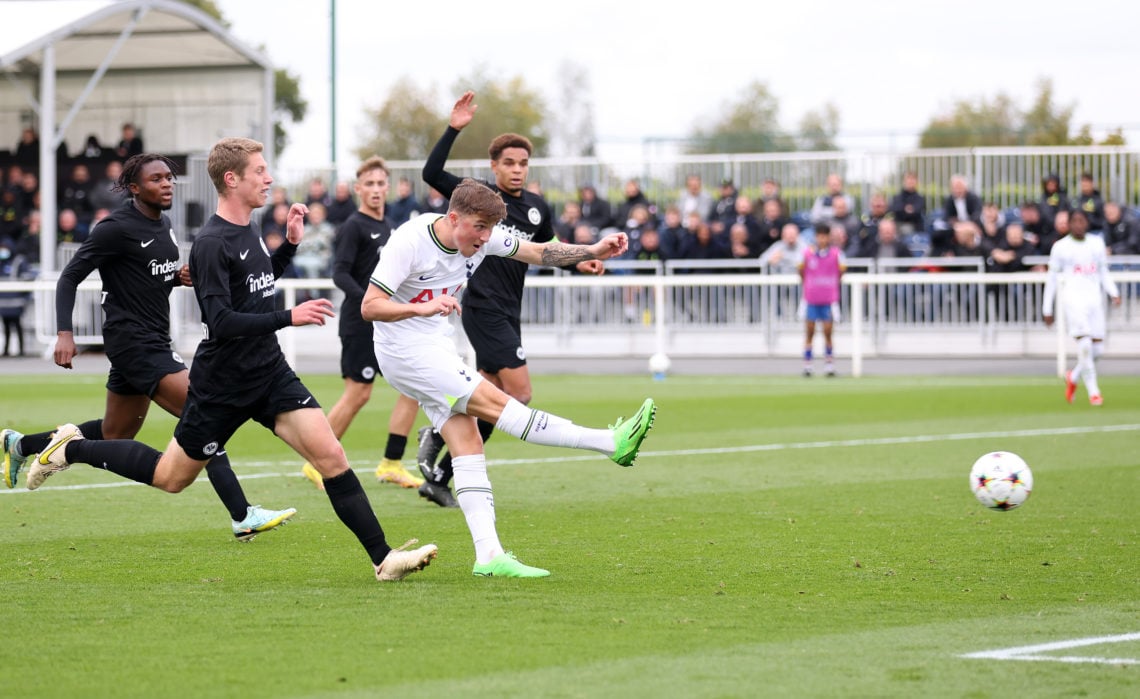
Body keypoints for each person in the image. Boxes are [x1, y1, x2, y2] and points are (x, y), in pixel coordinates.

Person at [19, 138, 437, 582]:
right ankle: (72, 448)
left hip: (270, 372)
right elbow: (219, 320)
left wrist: (289, 248)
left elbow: (255, 285)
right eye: (260, 171)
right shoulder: (211, 242)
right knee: (171, 477)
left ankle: (385, 559)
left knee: (331, 454)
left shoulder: (249, 229)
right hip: (222, 383)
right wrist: (288, 317)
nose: (269, 179)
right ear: (232, 179)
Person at [361, 178, 656, 577]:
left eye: (489, 229)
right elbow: (370, 305)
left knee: (467, 442)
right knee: (503, 406)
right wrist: (424, 308)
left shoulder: (485, 236)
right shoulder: (410, 241)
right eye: (478, 228)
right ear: (453, 218)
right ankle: (609, 442)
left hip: (435, 346)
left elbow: (538, 250)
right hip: (406, 351)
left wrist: (590, 250)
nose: (485, 238)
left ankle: (489, 556)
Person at [1, 152, 298, 540]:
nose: (167, 184)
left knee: (112, 433)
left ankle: (21, 444)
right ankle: (242, 514)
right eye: (156, 179)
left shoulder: (165, 224)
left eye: (169, 178)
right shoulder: (115, 228)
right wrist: (64, 332)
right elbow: (70, 276)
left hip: (151, 339)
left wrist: (176, 277)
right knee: (203, 412)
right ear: (135, 187)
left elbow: (143, 275)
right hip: (134, 342)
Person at [416, 91, 607, 508]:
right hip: (482, 307)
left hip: (510, 310)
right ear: (494, 166)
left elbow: (549, 247)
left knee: (489, 394)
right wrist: (453, 128)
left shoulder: (537, 208)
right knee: (518, 394)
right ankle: (438, 434)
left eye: (522, 163)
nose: (517, 170)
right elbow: (432, 172)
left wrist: (582, 263)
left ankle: (440, 473)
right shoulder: (479, 196)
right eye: (509, 163)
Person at [298, 156, 423, 491]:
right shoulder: (353, 226)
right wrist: (368, 302)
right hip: (361, 323)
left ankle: (392, 463)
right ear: (358, 189)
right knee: (358, 395)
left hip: (387, 323)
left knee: (413, 388)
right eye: (369, 184)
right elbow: (339, 272)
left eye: (381, 183)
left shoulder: (389, 227)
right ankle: (314, 462)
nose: (376, 189)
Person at [1042, 208, 1121, 407]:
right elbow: (1052, 278)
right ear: (1068, 224)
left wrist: (1113, 292)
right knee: (1084, 344)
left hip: (1094, 301)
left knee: (1097, 350)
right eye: (1074, 221)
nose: (1078, 224)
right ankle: (1094, 392)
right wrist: (1047, 309)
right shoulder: (1060, 247)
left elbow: (1103, 271)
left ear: (1086, 223)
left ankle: (1074, 376)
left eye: (1081, 220)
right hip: (1073, 301)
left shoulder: (1096, 243)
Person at [799, 222, 846, 377]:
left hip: (828, 299)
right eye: (819, 236)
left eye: (825, 236)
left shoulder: (836, 254)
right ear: (816, 237)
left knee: (828, 332)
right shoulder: (807, 253)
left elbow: (842, 271)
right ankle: (808, 365)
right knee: (809, 332)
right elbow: (800, 270)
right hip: (811, 298)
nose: (822, 239)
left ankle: (829, 365)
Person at [889, 171, 925, 236]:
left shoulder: (920, 198)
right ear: (904, 181)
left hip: (915, 228)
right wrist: (908, 210)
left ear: (916, 182)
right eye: (908, 179)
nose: (910, 181)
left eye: (913, 179)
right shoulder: (897, 197)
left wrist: (904, 210)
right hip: (898, 226)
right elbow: (895, 209)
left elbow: (917, 211)